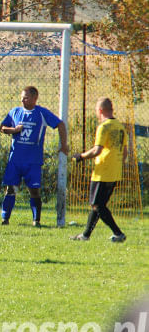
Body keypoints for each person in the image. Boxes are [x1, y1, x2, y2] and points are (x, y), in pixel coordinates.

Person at [0, 86, 68, 226]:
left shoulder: (41, 113)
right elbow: (2, 128)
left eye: (26, 97)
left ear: (35, 98)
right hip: (15, 160)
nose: (22, 100)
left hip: (33, 161)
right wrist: (14, 130)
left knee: (34, 191)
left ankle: (36, 220)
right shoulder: (15, 112)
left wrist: (64, 145)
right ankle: (4, 219)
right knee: (10, 189)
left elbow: (60, 125)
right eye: (22, 97)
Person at [70, 97, 127, 243]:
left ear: (100, 110)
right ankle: (85, 235)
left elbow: (97, 150)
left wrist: (80, 156)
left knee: (97, 205)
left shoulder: (104, 127)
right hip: (115, 171)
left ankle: (118, 233)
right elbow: (125, 151)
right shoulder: (120, 126)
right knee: (97, 204)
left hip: (103, 171)